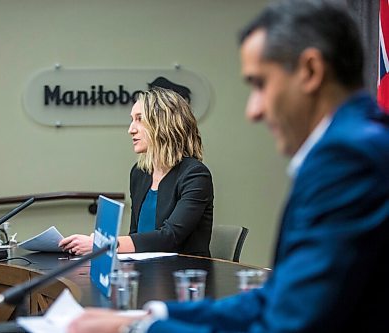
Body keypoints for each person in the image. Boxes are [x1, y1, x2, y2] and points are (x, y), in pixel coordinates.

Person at [67, 0, 389, 332]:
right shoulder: (349, 148)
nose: (254, 110)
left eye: (260, 84)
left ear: (310, 71)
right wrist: (148, 318)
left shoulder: (350, 160)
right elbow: (274, 299)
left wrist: (133, 330)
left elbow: (288, 325)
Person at [59, 87, 214, 257]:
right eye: (132, 120)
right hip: (144, 271)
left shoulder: (195, 175)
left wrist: (105, 244)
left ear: (163, 123)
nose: (131, 129)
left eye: (140, 119)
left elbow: (170, 237)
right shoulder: (140, 173)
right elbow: (135, 234)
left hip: (182, 276)